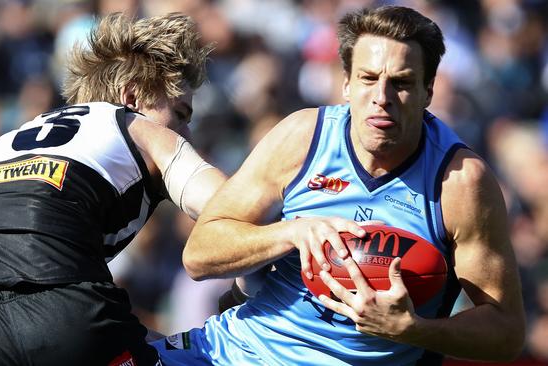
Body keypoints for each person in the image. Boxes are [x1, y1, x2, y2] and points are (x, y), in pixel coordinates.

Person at [152, 5, 526, 365]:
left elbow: (506, 332)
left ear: (428, 91)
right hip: (235, 352)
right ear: (346, 83)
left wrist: (411, 329)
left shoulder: (461, 182)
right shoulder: (302, 137)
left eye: (401, 83)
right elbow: (199, 255)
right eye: (368, 79)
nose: (382, 98)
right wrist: (294, 233)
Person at [0, 12, 226, 366]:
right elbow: (229, 207)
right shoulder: (138, 128)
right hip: (64, 315)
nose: (186, 135)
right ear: (131, 97)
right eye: (181, 114)